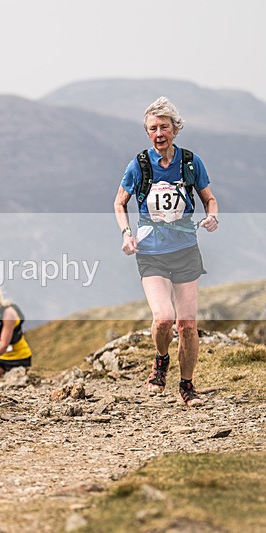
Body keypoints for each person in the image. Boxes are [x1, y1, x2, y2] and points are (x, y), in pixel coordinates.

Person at [113, 97, 218, 407]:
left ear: (175, 129)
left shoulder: (190, 162)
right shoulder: (139, 165)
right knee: (163, 319)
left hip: (186, 251)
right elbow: (119, 203)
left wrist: (212, 215)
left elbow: (209, 198)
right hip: (152, 252)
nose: (159, 133)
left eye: (164, 127)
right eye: (152, 129)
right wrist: (127, 233)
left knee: (186, 325)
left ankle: (187, 386)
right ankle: (161, 360)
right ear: (147, 133)